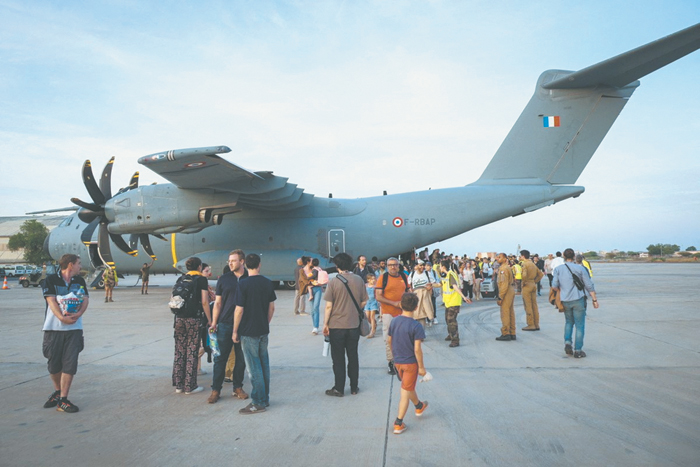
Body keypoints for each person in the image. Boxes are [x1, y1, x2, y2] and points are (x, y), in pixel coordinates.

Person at [41, 254, 89, 413]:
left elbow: (85, 300)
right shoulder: (51, 280)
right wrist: (62, 318)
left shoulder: (80, 281)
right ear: (70, 264)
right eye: (78, 263)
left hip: (74, 330)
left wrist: (79, 314)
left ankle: (63, 399)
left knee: (70, 364)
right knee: (53, 365)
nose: (80, 267)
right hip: (54, 329)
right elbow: (51, 301)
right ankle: (57, 391)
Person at [233, 254, 277, 414]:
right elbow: (272, 308)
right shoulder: (267, 282)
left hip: (248, 330)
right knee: (264, 364)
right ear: (259, 265)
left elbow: (239, 310)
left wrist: (235, 330)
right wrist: (265, 322)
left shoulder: (243, 284)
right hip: (262, 330)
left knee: (253, 367)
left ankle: (258, 402)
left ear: (245, 265)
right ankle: (264, 398)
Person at [207, 250, 250, 404]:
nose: (230, 263)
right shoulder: (224, 279)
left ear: (242, 261)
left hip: (244, 326)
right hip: (225, 324)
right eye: (229, 261)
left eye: (233, 260)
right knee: (220, 358)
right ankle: (216, 390)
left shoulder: (249, 278)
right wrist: (214, 322)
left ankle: (237, 387)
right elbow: (217, 303)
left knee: (241, 359)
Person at [323, 252, 368, 397]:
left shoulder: (334, 282)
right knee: (353, 356)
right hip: (353, 325)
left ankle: (339, 388)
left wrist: (325, 324)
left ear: (337, 266)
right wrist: (354, 310)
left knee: (338, 359)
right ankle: (354, 387)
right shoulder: (358, 280)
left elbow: (329, 306)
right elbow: (364, 301)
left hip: (337, 326)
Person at [387, 292, 429, 434]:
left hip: (398, 362)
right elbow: (417, 349)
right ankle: (398, 423)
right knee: (405, 393)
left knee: (407, 387)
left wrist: (394, 355)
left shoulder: (394, 321)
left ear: (400, 305)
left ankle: (419, 406)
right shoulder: (416, 326)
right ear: (416, 307)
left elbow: (389, 340)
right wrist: (421, 368)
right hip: (411, 364)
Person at [172, 257, 212, 395]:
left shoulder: (181, 279)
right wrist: (210, 319)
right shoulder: (201, 280)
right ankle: (190, 386)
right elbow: (205, 302)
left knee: (179, 350)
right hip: (194, 319)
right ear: (200, 267)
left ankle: (179, 385)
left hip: (179, 319)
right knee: (192, 351)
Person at [552, 248, 599, 358]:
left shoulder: (558, 269)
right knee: (580, 325)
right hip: (578, 299)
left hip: (565, 300)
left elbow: (554, 286)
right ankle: (578, 350)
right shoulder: (580, 268)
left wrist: (563, 290)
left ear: (564, 256)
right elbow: (589, 285)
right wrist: (594, 299)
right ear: (574, 257)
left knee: (569, 322)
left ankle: (568, 343)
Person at [375, 257, 410, 374]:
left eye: (395, 265)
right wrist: (394, 303)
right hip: (388, 313)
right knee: (389, 338)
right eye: (390, 265)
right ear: (387, 266)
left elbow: (408, 292)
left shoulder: (404, 277)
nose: (393, 267)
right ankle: (391, 362)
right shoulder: (383, 278)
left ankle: (401, 361)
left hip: (403, 313)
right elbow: (378, 296)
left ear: (398, 266)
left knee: (403, 338)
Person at [440, 259, 471, 347]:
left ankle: (455, 340)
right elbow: (441, 284)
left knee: (452, 321)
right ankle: (451, 334)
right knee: (447, 319)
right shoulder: (446, 275)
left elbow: (455, 287)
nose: (439, 268)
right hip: (448, 302)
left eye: (440, 266)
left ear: (443, 267)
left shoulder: (450, 275)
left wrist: (464, 297)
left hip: (453, 302)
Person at [407, 260, 438, 328]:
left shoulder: (427, 273)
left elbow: (434, 283)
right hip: (416, 296)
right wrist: (410, 290)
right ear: (417, 266)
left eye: (423, 265)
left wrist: (431, 286)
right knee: (416, 314)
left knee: (423, 315)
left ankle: (421, 333)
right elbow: (409, 284)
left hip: (425, 296)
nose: (422, 267)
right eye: (420, 265)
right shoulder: (412, 274)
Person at [520, 250, 543, 331]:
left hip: (527, 285)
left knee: (528, 305)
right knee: (534, 305)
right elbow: (540, 274)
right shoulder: (533, 264)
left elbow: (524, 275)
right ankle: (536, 324)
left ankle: (530, 324)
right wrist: (535, 281)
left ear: (523, 256)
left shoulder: (524, 264)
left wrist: (523, 282)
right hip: (533, 284)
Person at [495, 253, 516, 341]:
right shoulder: (507, 267)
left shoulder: (503, 269)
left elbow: (504, 284)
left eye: (499, 257)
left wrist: (500, 297)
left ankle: (506, 332)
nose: (497, 259)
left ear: (504, 259)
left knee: (505, 313)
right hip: (510, 290)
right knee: (510, 312)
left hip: (506, 291)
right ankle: (512, 332)